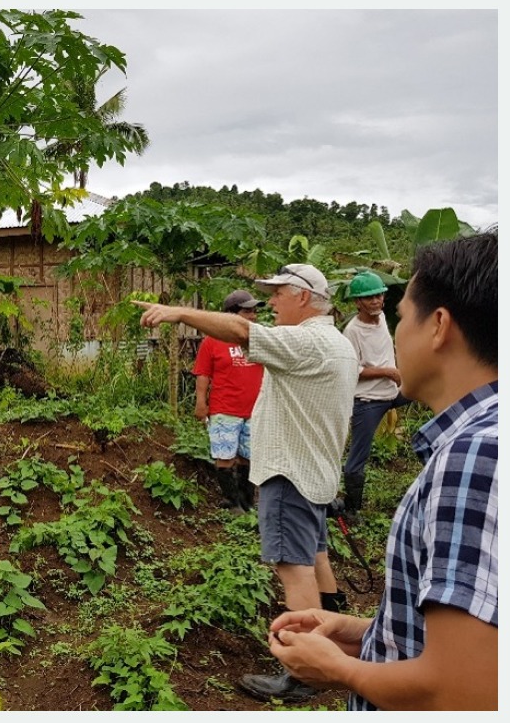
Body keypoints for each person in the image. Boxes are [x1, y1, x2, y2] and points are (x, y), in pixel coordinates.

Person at [263, 231, 497, 710]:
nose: (396, 331)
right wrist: (365, 631)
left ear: (438, 326)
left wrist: (340, 669)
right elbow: (472, 642)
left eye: (401, 316)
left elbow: (463, 689)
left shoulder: (473, 457)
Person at [134, 263, 355, 701]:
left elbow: (237, 329)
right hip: (315, 471)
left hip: (288, 473)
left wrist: (179, 312)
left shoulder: (307, 340)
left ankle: (305, 673)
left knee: (293, 568)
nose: (270, 303)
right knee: (315, 555)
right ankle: (335, 639)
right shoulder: (338, 342)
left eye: (277, 294)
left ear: (303, 296)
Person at [340, 270, 410, 519]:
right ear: (357, 302)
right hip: (368, 401)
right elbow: (352, 369)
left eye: (379, 296)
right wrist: (387, 372)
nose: (377, 301)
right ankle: (352, 508)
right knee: (358, 457)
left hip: (392, 392)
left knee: (429, 386)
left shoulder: (381, 320)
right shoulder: (352, 331)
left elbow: (384, 348)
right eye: (369, 298)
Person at [192, 289, 265, 513]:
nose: (253, 316)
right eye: (247, 311)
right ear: (231, 315)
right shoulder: (213, 341)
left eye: (254, 311)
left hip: (254, 410)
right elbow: (203, 374)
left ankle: (246, 500)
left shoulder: (261, 337)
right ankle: (232, 502)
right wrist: (201, 403)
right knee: (225, 456)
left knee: (248, 457)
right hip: (225, 409)